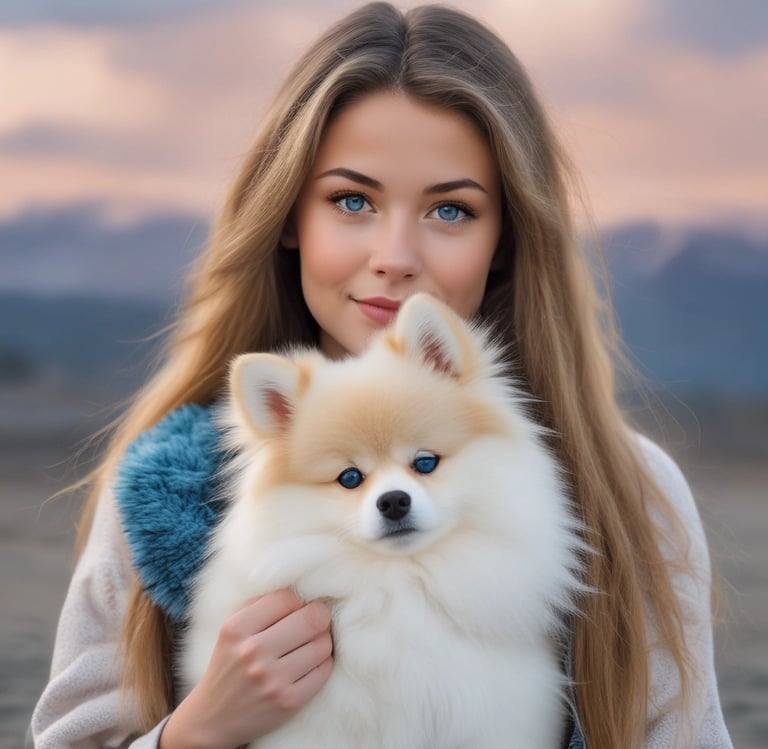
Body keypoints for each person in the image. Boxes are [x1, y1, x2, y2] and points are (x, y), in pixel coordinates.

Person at [30, 3, 733, 748]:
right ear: (290, 216)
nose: (395, 254)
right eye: (352, 200)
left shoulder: (629, 489)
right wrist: (198, 730)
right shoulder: (161, 487)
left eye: (452, 211)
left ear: (506, 237)